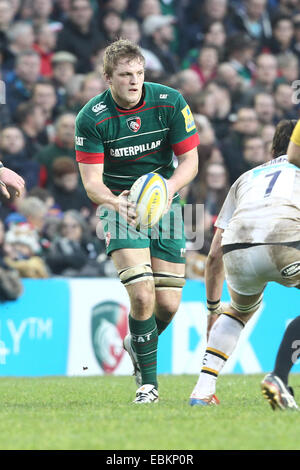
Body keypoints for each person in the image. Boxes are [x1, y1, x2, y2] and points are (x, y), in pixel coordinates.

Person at [75, 39, 199, 403]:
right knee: (142, 295)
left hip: (168, 206)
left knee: (169, 305)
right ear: (108, 77)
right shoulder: (92, 117)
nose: (134, 81)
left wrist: (166, 190)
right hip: (119, 208)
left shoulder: (169, 101)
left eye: (139, 73)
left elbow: (190, 163)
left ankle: (136, 342)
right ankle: (149, 386)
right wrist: (118, 203)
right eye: (126, 75)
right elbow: (91, 184)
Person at [189, 119, 299, 409]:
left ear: (273, 147)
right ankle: (279, 376)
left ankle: (202, 391)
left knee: (238, 311)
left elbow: (214, 254)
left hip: (237, 249)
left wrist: (213, 308)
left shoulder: (246, 178)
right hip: (285, 242)